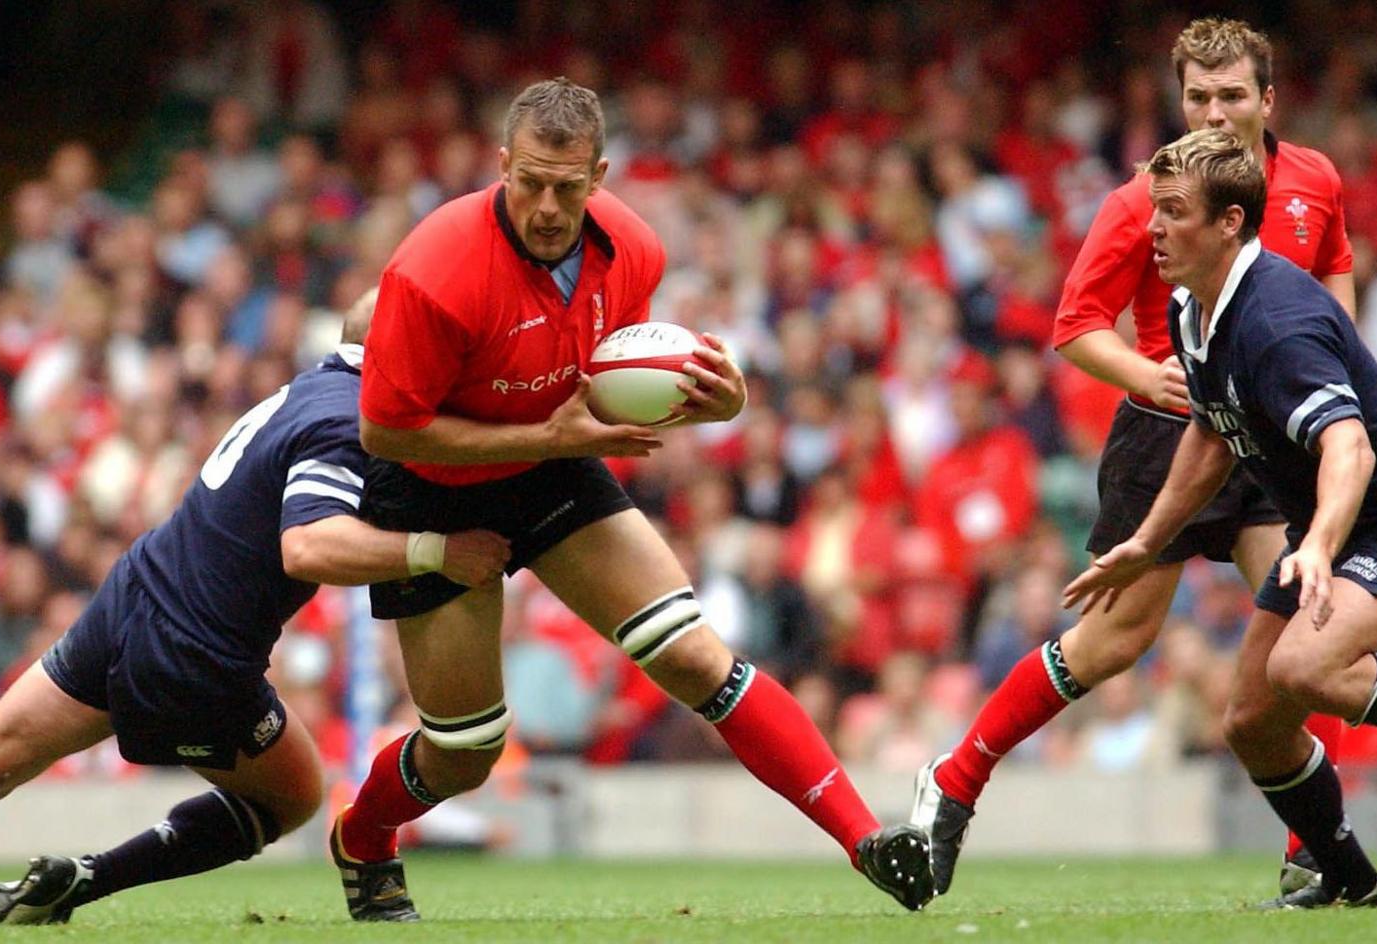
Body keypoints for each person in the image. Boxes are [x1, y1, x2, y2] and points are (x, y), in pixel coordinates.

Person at [335, 77, 931, 922]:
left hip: (552, 455)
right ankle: (363, 835)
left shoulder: (636, 251)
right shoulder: (437, 268)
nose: (547, 206)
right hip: (435, 486)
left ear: (600, 176)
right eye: (530, 182)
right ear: (501, 165)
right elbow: (387, 435)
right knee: (467, 751)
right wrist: (553, 438)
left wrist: (720, 404)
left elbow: (614, 388)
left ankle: (867, 841)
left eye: (567, 187)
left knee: (691, 653)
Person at [0, 291, 511, 926]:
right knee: (294, 796)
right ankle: (86, 883)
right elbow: (310, 546)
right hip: (196, 647)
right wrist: (436, 552)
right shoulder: (349, 420)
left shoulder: (305, 389)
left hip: (134, 592)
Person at [909, 17, 1354, 902]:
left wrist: (1339, 356)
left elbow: (1336, 266)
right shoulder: (1138, 199)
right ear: (1177, 98)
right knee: (1114, 641)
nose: (1217, 112)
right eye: (1199, 96)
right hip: (1170, 428)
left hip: (1270, 439)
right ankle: (955, 780)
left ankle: (1314, 854)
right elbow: (1075, 326)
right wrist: (1152, 376)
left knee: (1311, 635)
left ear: (1268, 99)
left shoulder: (1314, 181)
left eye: (1233, 95)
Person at [1066, 127, 1377, 908]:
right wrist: (1147, 541)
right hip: (1333, 533)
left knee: (1303, 667)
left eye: (1174, 212)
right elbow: (1211, 433)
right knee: (1250, 723)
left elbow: (1349, 446)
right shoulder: (1192, 308)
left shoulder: (1275, 322)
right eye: (1154, 209)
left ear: (1229, 224)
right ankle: (1349, 879)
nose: (1154, 228)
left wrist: (1315, 545)